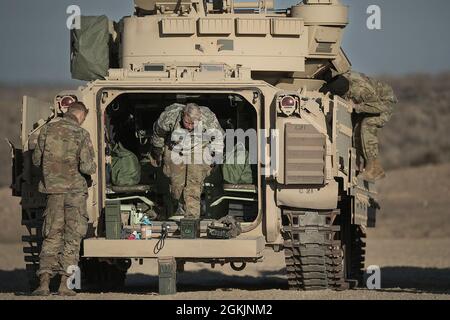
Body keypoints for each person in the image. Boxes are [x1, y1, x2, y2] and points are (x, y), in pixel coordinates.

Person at [31, 102, 96, 296]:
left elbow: (36, 160)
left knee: (51, 235)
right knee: (72, 238)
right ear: (82, 115)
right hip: (75, 193)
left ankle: (43, 283)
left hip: (53, 192)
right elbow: (87, 167)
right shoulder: (81, 134)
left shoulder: (47, 130)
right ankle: (65, 285)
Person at [150, 103, 224, 219]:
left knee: (193, 182)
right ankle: (177, 208)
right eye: (187, 122)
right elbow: (158, 133)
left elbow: (218, 138)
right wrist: (157, 149)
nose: (189, 126)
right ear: (182, 115)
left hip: (199, 146)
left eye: (193, 123)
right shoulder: (169, 117)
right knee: (176, 185)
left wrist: (216, 156)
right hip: (175, 146)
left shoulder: (208, 118)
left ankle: (191, 217)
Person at [322, 70, 397, 181]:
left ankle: (374, 168)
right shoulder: (340, 81)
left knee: (367, 124)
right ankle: (358, 164)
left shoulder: (361, 89)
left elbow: (381, 107)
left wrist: (356, 107)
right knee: (355, 128)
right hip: (365, 102)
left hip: (383, 102)